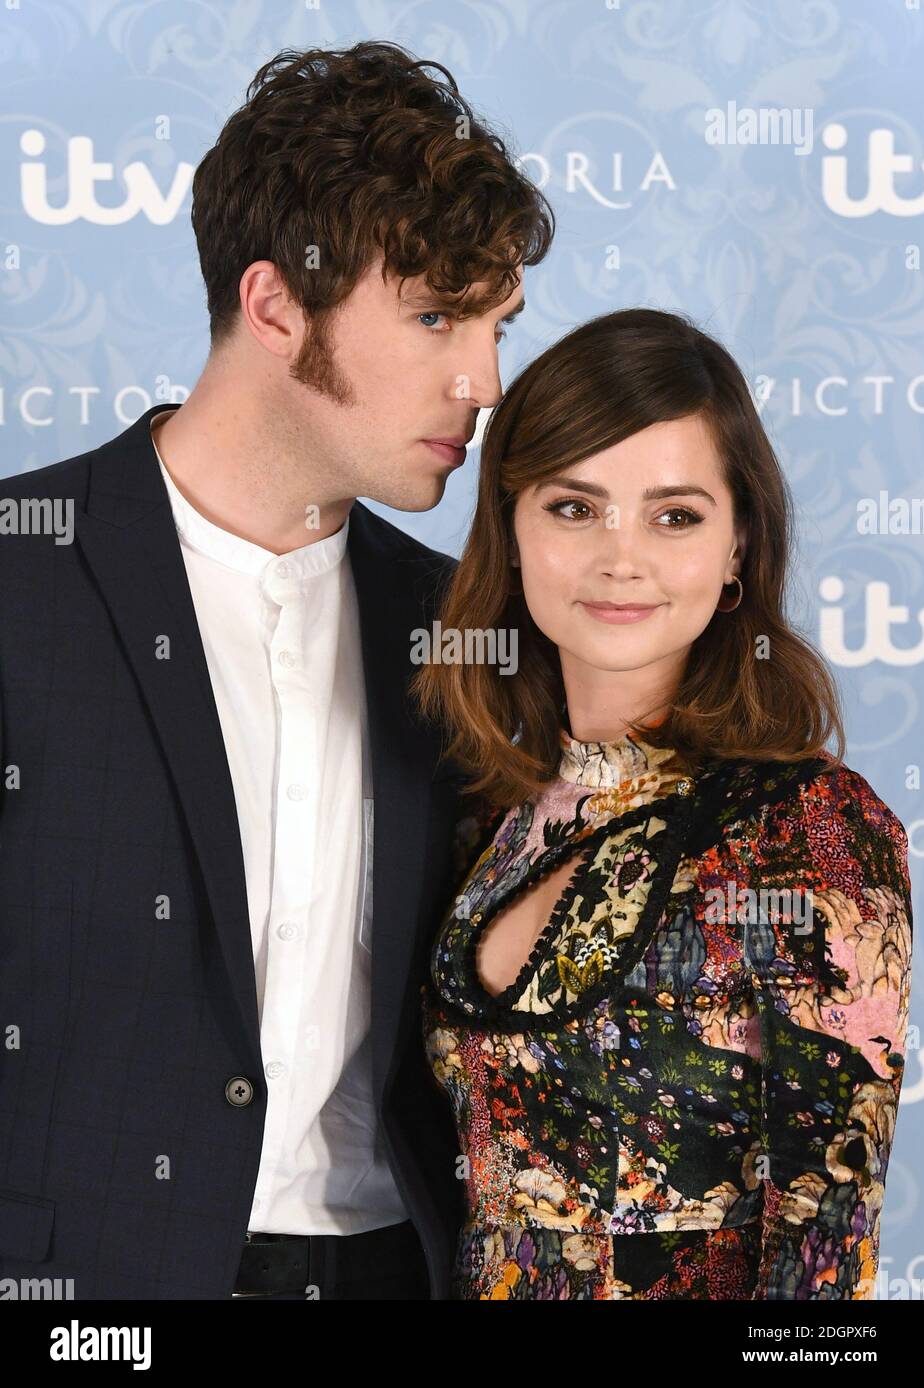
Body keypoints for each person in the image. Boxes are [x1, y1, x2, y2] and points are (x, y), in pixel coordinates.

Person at [0, 41, 553, 1299]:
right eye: (433, 316)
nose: (485, 384)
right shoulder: (17, 577)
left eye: (497, 325)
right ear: (273, 306)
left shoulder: (467, 630)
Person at [413, 307, 913, 1300]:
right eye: (573, 506)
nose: (620, 556)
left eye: (675, 515)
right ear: (510, 530)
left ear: (737, 550)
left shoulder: (805, 827)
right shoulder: (494, 821)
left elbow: (826, 1255)